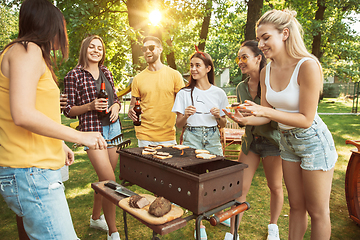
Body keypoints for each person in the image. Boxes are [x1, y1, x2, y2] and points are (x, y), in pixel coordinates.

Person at [224, 9, 337, 240]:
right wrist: (246, 119)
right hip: (286, 142)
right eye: (259, 39)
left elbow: (305, 119)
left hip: (313, 141)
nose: (261, 44)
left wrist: (264, 110)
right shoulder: (266, 71)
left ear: (284, 34)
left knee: (317, 211)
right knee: (296, 206)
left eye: (266, 37)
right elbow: (266, 116)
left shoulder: (307, 65)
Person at [0, 0, 107, 239]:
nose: (65, 33)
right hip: (31, 172)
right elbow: (22, 114)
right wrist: (80, 136)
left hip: (34, 170)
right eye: (62, 25)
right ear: (49, 23)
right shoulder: (27, 50)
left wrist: (59, 144)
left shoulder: (29, 54)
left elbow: (36, 109)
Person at [63, 35, 122, 240]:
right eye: (92, 47)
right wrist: (90, 106)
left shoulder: (107, 71)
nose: (96, 50)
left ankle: (96, 218)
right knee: (110, 181)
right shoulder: (74, 75)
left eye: (99, 48)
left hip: (113, 130)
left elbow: (116, 97)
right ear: (84, 49)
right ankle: (113, 233)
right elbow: (68, 110)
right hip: (92, 132)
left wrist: (116, 106)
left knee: (104, 180)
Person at [224, 40, 283, 240]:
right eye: (238, 58)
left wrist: (245, 118)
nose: (240, 61)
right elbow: (246, 121)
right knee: (239, 188)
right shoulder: (241, 87)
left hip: (272, 143)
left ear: (258, 58)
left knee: (275, 187)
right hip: (251, 142)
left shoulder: (272, 83)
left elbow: (272, 116)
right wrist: (239, 120)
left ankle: (273, 226)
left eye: (244, 57)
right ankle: (233, 233)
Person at [172, 48, 228, 240]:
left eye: (197, 66)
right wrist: (185, 115)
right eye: (191, 66)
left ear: (207, 68)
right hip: (192, 137)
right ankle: (199, 224)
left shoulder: (219, 93)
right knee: (195, 181)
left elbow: (223, 124)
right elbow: (178, 125)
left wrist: (218, 116)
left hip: (212, 137)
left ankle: (215, 212)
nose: (193, 69)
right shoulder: (184, 93)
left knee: (216, 178)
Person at [128, 36, 185, 147]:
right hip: (144, 135)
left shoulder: (175, 75)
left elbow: (182, 105)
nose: (147, 51)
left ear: (160, 49)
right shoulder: (138, 79)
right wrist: (131, 111)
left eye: (151, 48)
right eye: (144, 49)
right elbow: (132, 105)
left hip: (167, 136)